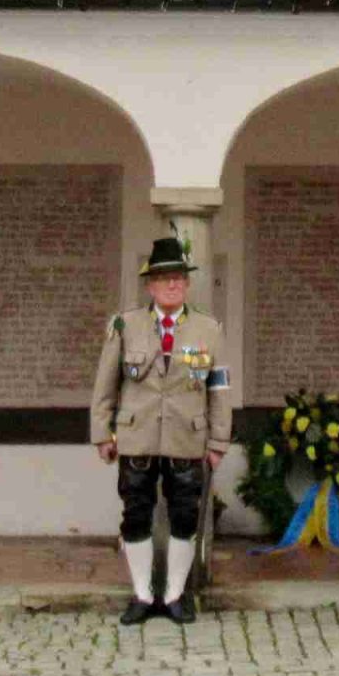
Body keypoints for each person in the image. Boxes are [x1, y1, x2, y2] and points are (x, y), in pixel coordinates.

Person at [91, 236, 234, 625]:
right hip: (136, 436)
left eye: (179, 278)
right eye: (165, 278)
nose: (173, 284)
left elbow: (219, 388)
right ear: (150, 285)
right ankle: (142, 594)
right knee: (136, 513)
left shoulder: (208, 329)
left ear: (187, 284)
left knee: (184, 516)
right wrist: (102, 433)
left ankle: (173, 595)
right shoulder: (126, 325)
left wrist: (219, 440)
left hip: (187, 437)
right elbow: (106, 383)